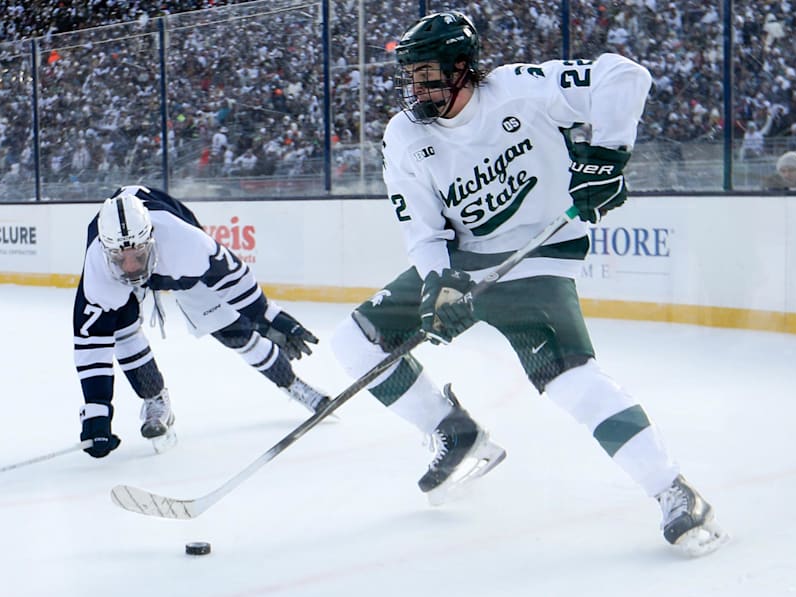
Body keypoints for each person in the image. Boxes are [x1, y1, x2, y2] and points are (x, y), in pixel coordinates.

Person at [328, 11, 728, 557]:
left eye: (427, 75)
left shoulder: (520, 88)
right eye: (411, 77)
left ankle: (673, 491)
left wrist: (608, 156)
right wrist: (437, 284)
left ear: (462, 68)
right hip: (466, 260)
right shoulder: (403, 137)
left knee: (570, 383)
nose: (415, 88)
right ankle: (455, 432)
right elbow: (422, 232)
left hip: (538, 256)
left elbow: (624, 76)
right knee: (353, 340)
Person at [73, 184, 329, 458]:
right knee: (122, 332)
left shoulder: (185, 245)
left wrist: (268, 316)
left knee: (233, 331)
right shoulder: (98, 267)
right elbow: (92, 343)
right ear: (105, 250)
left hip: (173, 261)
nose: (131, 267)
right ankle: (155, 398)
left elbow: (235, 279)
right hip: (134, 263)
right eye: (120, 258)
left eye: (138, 255)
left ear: (152, 239)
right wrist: (96, 411)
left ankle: (292, 383)